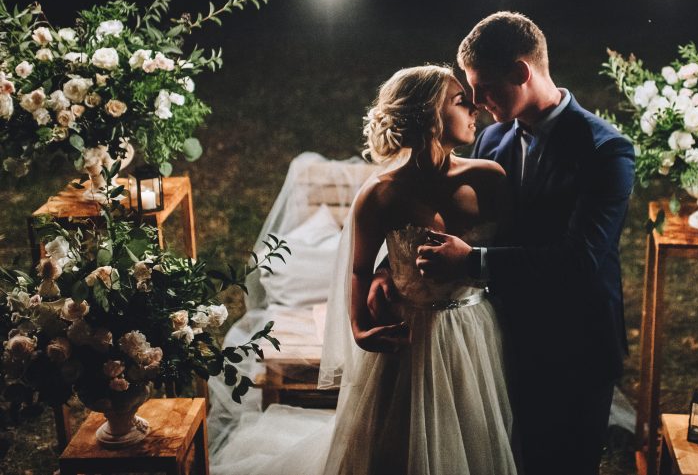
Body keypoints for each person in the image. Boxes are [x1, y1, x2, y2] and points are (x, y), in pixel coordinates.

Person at [210, 64, 519, 475]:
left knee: (470, 431)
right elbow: (357, 269)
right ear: (429, 114)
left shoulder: (488, 177)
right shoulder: (381, 194)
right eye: (461, 102)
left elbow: (513, 249)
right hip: (407, 334)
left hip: (471, 327)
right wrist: (358, 325)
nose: (475, 108)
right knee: (397, 441)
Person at [411, 11, 636, 475]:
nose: (475, 102)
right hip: (507, 336)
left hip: (577, 347)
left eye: (484, 87)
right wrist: (390, 269)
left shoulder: (605, 151)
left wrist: (472, 262)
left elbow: (580, 261)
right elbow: (452, 216)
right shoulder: (491, 141)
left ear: (521, 72)